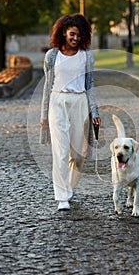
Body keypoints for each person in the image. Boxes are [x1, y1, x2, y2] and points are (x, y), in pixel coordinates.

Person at [40, 14, 101, 211]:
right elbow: (47, 87)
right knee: (60, 151)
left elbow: (90, 85)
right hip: (57, 102)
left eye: (80, 35)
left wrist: (95, 111)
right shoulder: (52, 56)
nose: (76, 38)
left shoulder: (86, 56)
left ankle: (69, 187)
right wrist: (43, 115)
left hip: (80, 102)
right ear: (64, 32)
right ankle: (62, 196)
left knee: (78, 154)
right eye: (72, 34)